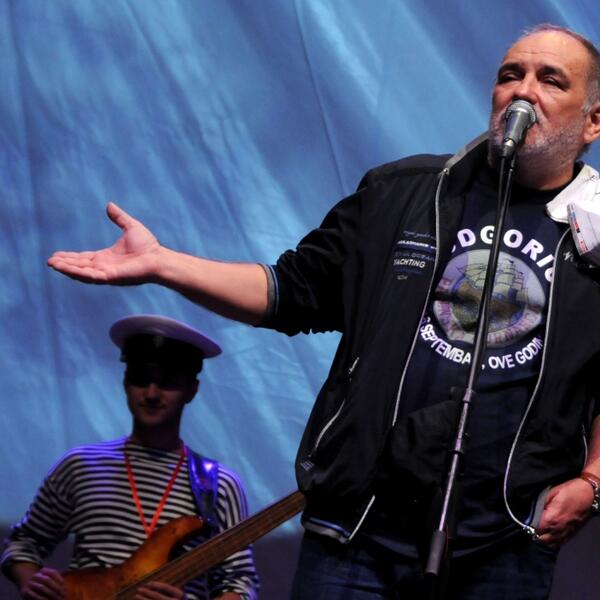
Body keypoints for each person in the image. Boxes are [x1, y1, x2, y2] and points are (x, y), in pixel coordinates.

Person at [46, 23, 600, 599]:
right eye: (511, 74)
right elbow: (288, 291)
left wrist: (592, 482)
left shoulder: (597, 231)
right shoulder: (405, 192)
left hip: (503, 544)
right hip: (357, 535)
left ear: (593, 121)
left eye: (550, 80)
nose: (522, 90)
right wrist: (163, 264)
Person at [1, 315, 259, 600]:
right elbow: (24, 543)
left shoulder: (220, 484)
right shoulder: (79, 466)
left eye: (167, 382)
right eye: (140, 378)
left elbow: (239, 582)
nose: (151, 393)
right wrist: (31, 583)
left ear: (191, 390)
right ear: (125, 382)